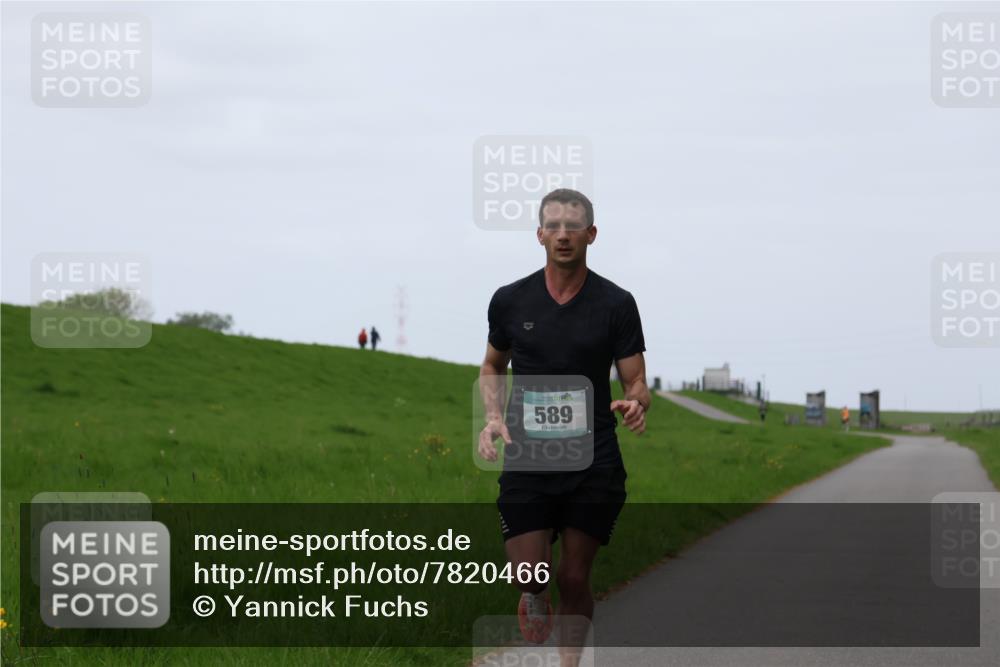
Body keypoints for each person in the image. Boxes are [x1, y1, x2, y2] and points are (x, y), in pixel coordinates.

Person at [478, 188, 649, 665]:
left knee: (574, 578)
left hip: (593, 458)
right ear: (539, 235)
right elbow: (492, 365)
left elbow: (636, 380)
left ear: (591, 234)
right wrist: (492, 415)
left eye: (573, 226)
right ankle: (533, 594)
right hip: (529, 457)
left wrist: (636, 404)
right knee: (532, 574)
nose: (562, 235)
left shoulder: (616, 303)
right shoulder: (510, 300)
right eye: (552, 226)